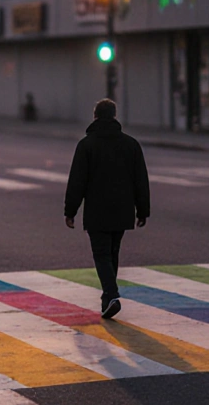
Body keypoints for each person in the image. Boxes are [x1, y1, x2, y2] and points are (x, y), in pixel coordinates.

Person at [63, 98, 150, 319]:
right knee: (112, 253)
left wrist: (70, 211)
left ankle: (111, 295)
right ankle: (107, 300)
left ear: (95, 116)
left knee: (101, 254)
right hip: (122, 210)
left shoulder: (86, 145)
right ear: (114, 116)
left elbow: (77, 182)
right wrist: (143, 210)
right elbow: (141, 180)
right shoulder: (130, 144)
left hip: (97, 211)